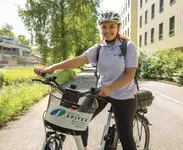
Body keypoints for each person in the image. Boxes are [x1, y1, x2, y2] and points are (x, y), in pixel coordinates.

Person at [34, 10, 138, 150]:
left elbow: (130, 75)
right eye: (104, 27)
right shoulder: (99, 48)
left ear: (118, 27)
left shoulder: (128, 46)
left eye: (111, 26)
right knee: (78, 119)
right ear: (100, 28)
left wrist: (111, 88)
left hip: (124, 95)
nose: (107, 30)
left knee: (125, 136)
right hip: (101, 91)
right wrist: (52, 68)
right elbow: (78, 61)